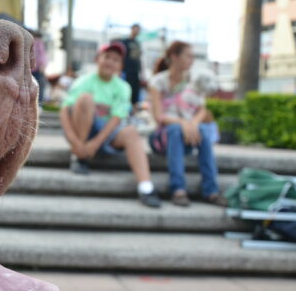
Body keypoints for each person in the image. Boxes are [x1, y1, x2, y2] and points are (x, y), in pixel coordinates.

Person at [60, 42, 162, 208]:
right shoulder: (83, 81)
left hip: (107, 135)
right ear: (97, 59)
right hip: (82, 130)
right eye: (107, 57)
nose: (110, 62)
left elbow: (116, 118)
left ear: (120, 65)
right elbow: (65, 110)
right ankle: (78, 156)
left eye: (116, 59)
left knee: (131, 132)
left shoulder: (123, 87)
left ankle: (146, 187)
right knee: (85, 99)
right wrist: (75, 142)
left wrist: (95, 143)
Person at [147, 41, 227, 207]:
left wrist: (192, 124)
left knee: (203, 130)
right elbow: (158, 116)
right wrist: (184, 123)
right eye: (188, 56)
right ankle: (178, 189)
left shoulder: (195, 80)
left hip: (188, 136)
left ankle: (211, 190)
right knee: (176, 129)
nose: (192, 60)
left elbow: (202, 110)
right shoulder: (158, 82)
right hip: (163, 137)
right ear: (174, 57)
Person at [114, 23, 144, 109]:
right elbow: (121, 56)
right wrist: (119, 70)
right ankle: (125, 109)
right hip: (127, 70)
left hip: (136, 71)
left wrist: (142, 72)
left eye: (139, 30)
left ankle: (133, 110)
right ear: (132, 29)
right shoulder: (125, 42)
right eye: (136, 29)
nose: (137, 31)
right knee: (127, 90)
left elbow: (139, 58)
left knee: (135, 91)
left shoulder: (138, 43)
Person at [30, 29, 48, 105]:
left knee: (35, 86)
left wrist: (42, 65)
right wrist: (43, 65)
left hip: (33, 69)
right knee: (38, 86)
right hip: (35, 69)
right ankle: (38, 103)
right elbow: (42, 56)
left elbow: (41, 56)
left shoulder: (36, 42)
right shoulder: (38, 42)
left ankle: (37, 103)